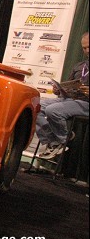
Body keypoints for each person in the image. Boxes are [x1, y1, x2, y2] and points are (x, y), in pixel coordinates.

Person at [36, 31, 89, 159]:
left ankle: (62, 139)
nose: (87, 50)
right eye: (84, 48)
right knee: (35, 106)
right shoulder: (79, 66)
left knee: (52, 110)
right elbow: (69, 84)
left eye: (89, 47)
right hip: (70, 100)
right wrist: (59, 90)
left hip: (86, 103)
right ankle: (53, 141)